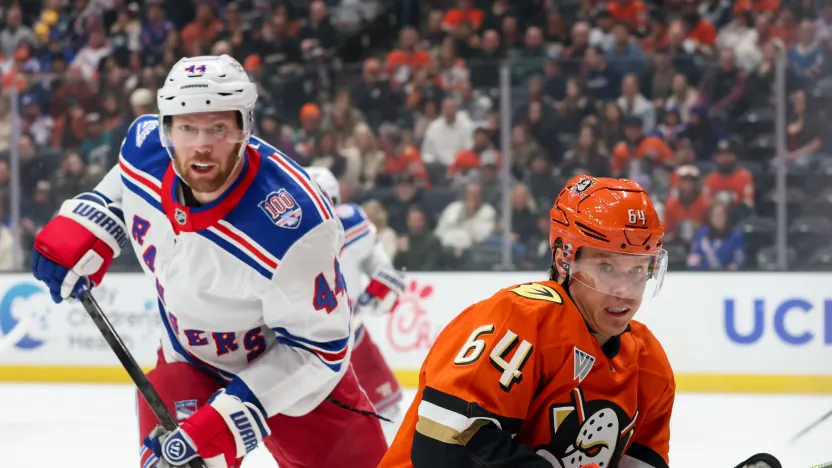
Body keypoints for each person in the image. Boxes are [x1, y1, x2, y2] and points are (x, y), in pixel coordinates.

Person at [30, 55, 387, 468]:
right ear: (166, 130)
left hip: (296, 384)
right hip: (188, 359)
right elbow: (123, 182)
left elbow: (319, 350)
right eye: (187, 127)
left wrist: (237, 410)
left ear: (244, 129)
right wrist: (90, 219)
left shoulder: (295, 226)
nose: (201, 145)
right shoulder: (144, 149)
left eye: (218, 128)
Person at [379, 175, 780, 468]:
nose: (626, 290)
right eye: (607, 266)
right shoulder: (518, 320)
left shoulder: (649, 366)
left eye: (639, 270)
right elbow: (445, 446)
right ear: (563, 259)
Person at [306, 166, 407, 440]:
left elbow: (381, 267)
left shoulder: (353, 226)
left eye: (325, 200)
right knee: (315, 429)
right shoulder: (283, 239)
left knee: (388, 413)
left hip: (353, 339)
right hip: (305, 350)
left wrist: (383, 285)